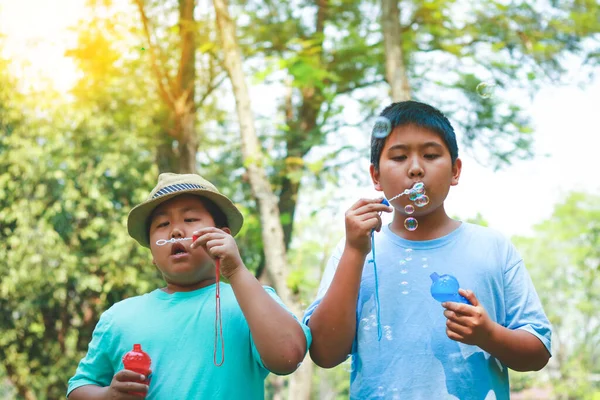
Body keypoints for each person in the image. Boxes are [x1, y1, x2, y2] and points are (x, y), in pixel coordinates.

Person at [304, 101, 551, 399]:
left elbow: (538, 352)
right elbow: (324, 353)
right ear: (376, 177)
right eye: (398, 157)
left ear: (455, 171)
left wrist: (488, 335)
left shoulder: (493, 248)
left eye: (431, 155)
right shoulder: (352, 251)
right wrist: (355, 253)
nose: (416, 169)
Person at [67, 173, 311, 399]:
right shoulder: (119, 317)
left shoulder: (252, 301)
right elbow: (79, 388)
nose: (175, 231)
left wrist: (236, 270)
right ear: (152, 252)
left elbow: (288, 357)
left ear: (222, 235)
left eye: (190, 219)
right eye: (162, 225)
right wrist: (107, 395)